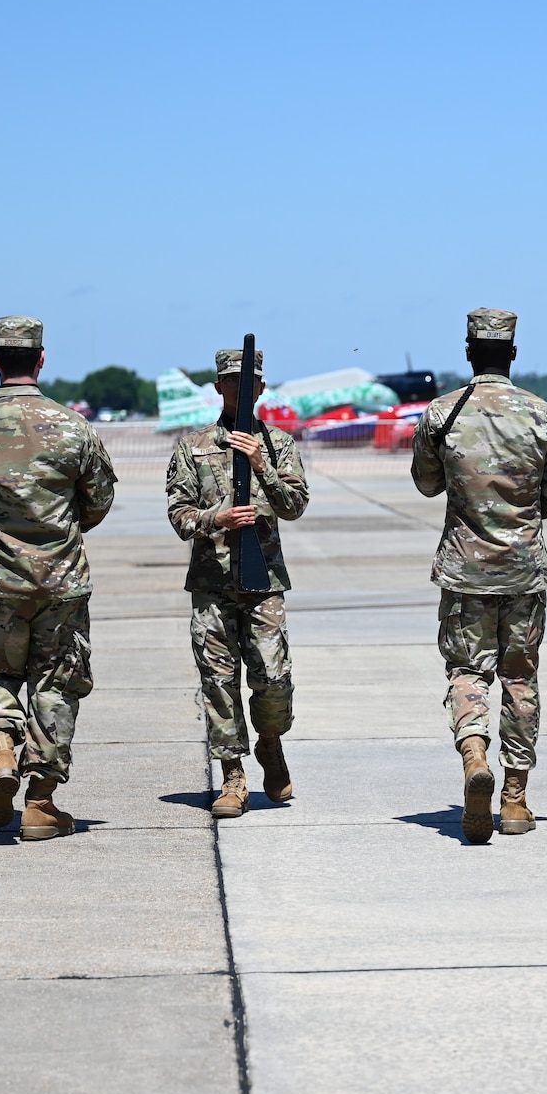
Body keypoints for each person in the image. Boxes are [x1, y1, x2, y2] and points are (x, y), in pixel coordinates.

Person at [0, 316, 117, 841]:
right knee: (55, 681)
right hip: (60, 581)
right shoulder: (74, 426)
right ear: (41, 359)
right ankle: (40, 802)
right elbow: (98, 501)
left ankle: (0, 750)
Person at [410, 307, 547, 843]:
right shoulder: (542, 415)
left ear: (468, 352)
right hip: (523, 572)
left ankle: (475, 753)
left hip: (465, 573)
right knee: (520, 679)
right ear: (512, 354)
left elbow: (427, 484)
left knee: (467, 674)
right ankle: (514, 798)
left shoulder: (443, 413)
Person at [167, 346, 310, 818]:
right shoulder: (194, 446)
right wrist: (217, 518)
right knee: (219, 682)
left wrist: (262, 464)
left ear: (262, 389)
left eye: (248, 383)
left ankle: (270, 743)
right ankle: (232, 775)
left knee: (273, 678)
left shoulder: (280, 444)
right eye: (231, 382)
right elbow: (178, 513)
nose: (240, 390)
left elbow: (295, 505)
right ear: (218, 388)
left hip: (263, 581)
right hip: (212, 583)